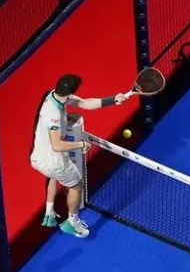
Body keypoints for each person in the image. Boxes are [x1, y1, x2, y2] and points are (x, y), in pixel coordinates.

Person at [30, 74, 129, 238]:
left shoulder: (54, 95)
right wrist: (81, 144)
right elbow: (57, 145)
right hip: (53, 161)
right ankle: (72, 222)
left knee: (54, 177)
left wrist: (113, 100)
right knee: (76, 185)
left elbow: (84, 103)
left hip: (37, 156)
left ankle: (49, 212)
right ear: (70, 91)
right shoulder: (53, 115)